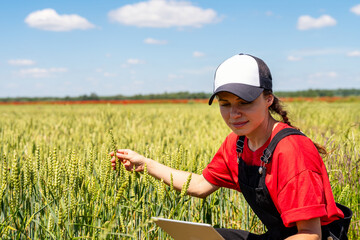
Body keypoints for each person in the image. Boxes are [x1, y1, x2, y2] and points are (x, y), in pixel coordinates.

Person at [110, 53, 351, 240]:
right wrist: (145, 164)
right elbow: (200, 185)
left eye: (244, 102)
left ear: (268, 99)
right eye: (225, 104)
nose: (234, 114)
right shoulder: (236, 144)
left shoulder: (291, 150)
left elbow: (310, 234)